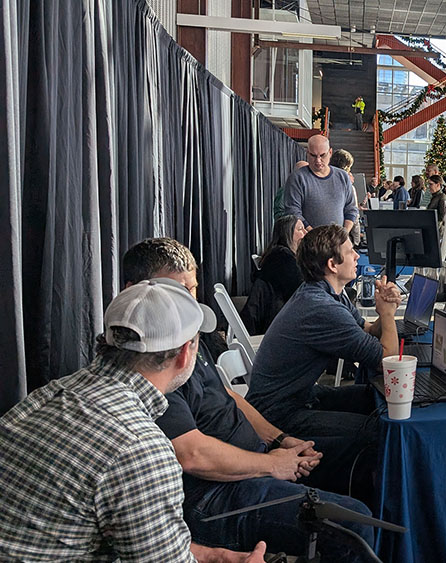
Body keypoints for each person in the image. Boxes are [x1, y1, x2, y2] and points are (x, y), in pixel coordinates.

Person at [120, 238, 375, 561]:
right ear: (136, 291)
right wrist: (270, 466)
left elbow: (225, 395)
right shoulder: (145, 360)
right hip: (214, 495)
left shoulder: (187, 335)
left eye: (192, 289)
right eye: (175, 291)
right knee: (352, 525)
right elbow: (192, 454)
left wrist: (279, 441)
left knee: (367, 463)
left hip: (253, 460)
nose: (187, 302)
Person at [0, 278, 267, 562]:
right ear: (185, 353)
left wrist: (215, 557)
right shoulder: (140, 447)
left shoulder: (48, 395)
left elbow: (143, 542)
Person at [247, 225, 400, 436]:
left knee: (372, 397)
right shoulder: (322, 308)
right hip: (278, 414)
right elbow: (388, 363)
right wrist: (389, 314)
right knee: (380, 430)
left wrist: (384, 307)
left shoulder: (328, 292)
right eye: (350, 252)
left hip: (299, 396)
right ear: (332, 265)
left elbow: (370, 330)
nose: (357, 256)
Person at [241, 215, 307, 334]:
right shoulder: (283, 258)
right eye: (300, 229)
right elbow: (300, 290)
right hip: (278, 324)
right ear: (287, 233)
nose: (305, 232)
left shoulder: (277, 254)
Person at [283, 135, 359, 233]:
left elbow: (351, 209)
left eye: (322, 155)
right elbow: (293, 211)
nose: (318, 161)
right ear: (307, 153)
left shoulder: (343, 177)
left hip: (337, 241)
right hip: (308, 242)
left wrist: (344, 233)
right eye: (313, 155)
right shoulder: (297, 178)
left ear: (330, 153)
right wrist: (314, 235)